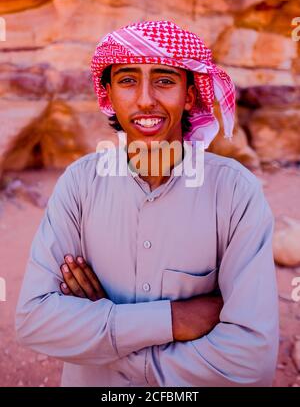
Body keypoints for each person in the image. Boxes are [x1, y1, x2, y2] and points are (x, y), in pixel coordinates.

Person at [15, 20, 279, 387]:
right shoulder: (79, 184)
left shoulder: (235, 192)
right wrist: (175, 319)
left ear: (189, 95)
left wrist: (105, 334)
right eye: (127, 80)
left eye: (164, 80)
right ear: (108, 93)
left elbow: (250, 361)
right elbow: (34, 321)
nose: (144, 100)